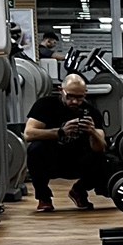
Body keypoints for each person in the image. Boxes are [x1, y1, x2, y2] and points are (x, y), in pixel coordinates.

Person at [24, 74, 108, 212]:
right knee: (35, 149)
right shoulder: (46, 105)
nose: (74, 101)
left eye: (79, 97)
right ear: (60, 90)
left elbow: (100, 147)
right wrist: (60, 132)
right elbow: (28, 134)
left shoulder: (91, 112)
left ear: (85, 94)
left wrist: (92, 132)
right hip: (52, 159)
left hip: (77, 160)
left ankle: (79, 190)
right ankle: (44, 197)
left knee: (105, 158)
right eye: (70, 96)